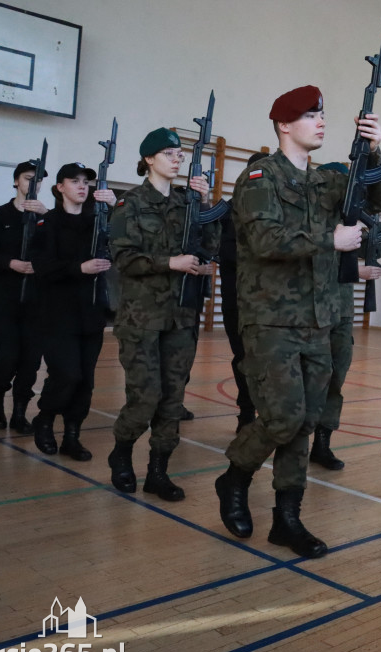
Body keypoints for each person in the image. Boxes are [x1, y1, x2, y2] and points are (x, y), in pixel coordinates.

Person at [214, 85, 381, 558]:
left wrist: (373, 151)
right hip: (270, 320)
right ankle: (234, 477)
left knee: (305, 423)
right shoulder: (258, 177)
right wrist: (328, 237)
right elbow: (264, 238)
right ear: (283, 125)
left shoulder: (325, 181)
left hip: (319, 319)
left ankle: (286, 519)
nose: (321, 121)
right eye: (311, 115)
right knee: (282, 418)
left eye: (323, 114)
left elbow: (376, 200)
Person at [106, 128, 219, 502]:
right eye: (169, 153)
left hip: (181, 317)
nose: (177, 158)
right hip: (141, 318)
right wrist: (170, 262)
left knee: (172, 399)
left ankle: (158, 471)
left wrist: (204, 206)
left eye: (179, 153)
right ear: (149, 159)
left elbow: (211, 245)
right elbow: (123, 259)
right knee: (145, 397)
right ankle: (121, 454)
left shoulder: (188, 202)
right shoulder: (131, 204)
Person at [27, 163, 115, 460]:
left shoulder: (97, 221)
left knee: (85, 381)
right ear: (59, 187)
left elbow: (125, 240)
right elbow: (42, 267)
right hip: (57, 314)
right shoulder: (48, 223)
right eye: (74, 181)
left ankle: (72, 436)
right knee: (66, 374)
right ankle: (45, 419)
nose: (82, 186)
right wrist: (80, 268)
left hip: (91, 312)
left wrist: (116, 207)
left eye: (86, 182)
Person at [309, 161, 381, 471]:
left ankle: (323, 443)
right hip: (312, 309)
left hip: (341, 310)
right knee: (307, 381)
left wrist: (373, 230)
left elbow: (369, 250)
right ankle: (294, 443)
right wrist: (355, 267)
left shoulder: (350, 220)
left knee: (337, 377)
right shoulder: (312, 217)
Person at [0, 161, 47, 434]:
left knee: (30, 362)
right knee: (7, 356)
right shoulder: (0, 215)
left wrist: (48, 217)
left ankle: (19, 413)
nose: (33, 185)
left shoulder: (45, 218)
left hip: (36, 304)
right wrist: (10, 263)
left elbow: (63, 251)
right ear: (16, 181)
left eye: (38, 181)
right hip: (2, 303)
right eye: (28, 179)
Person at [217, 151, 268, 434]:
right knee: (243, 358)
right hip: (238, 299)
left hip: (268, 302)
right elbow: (225, 252)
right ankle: (246, 411)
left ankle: (264, 412)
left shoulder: (273, 211)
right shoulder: (229, 210)